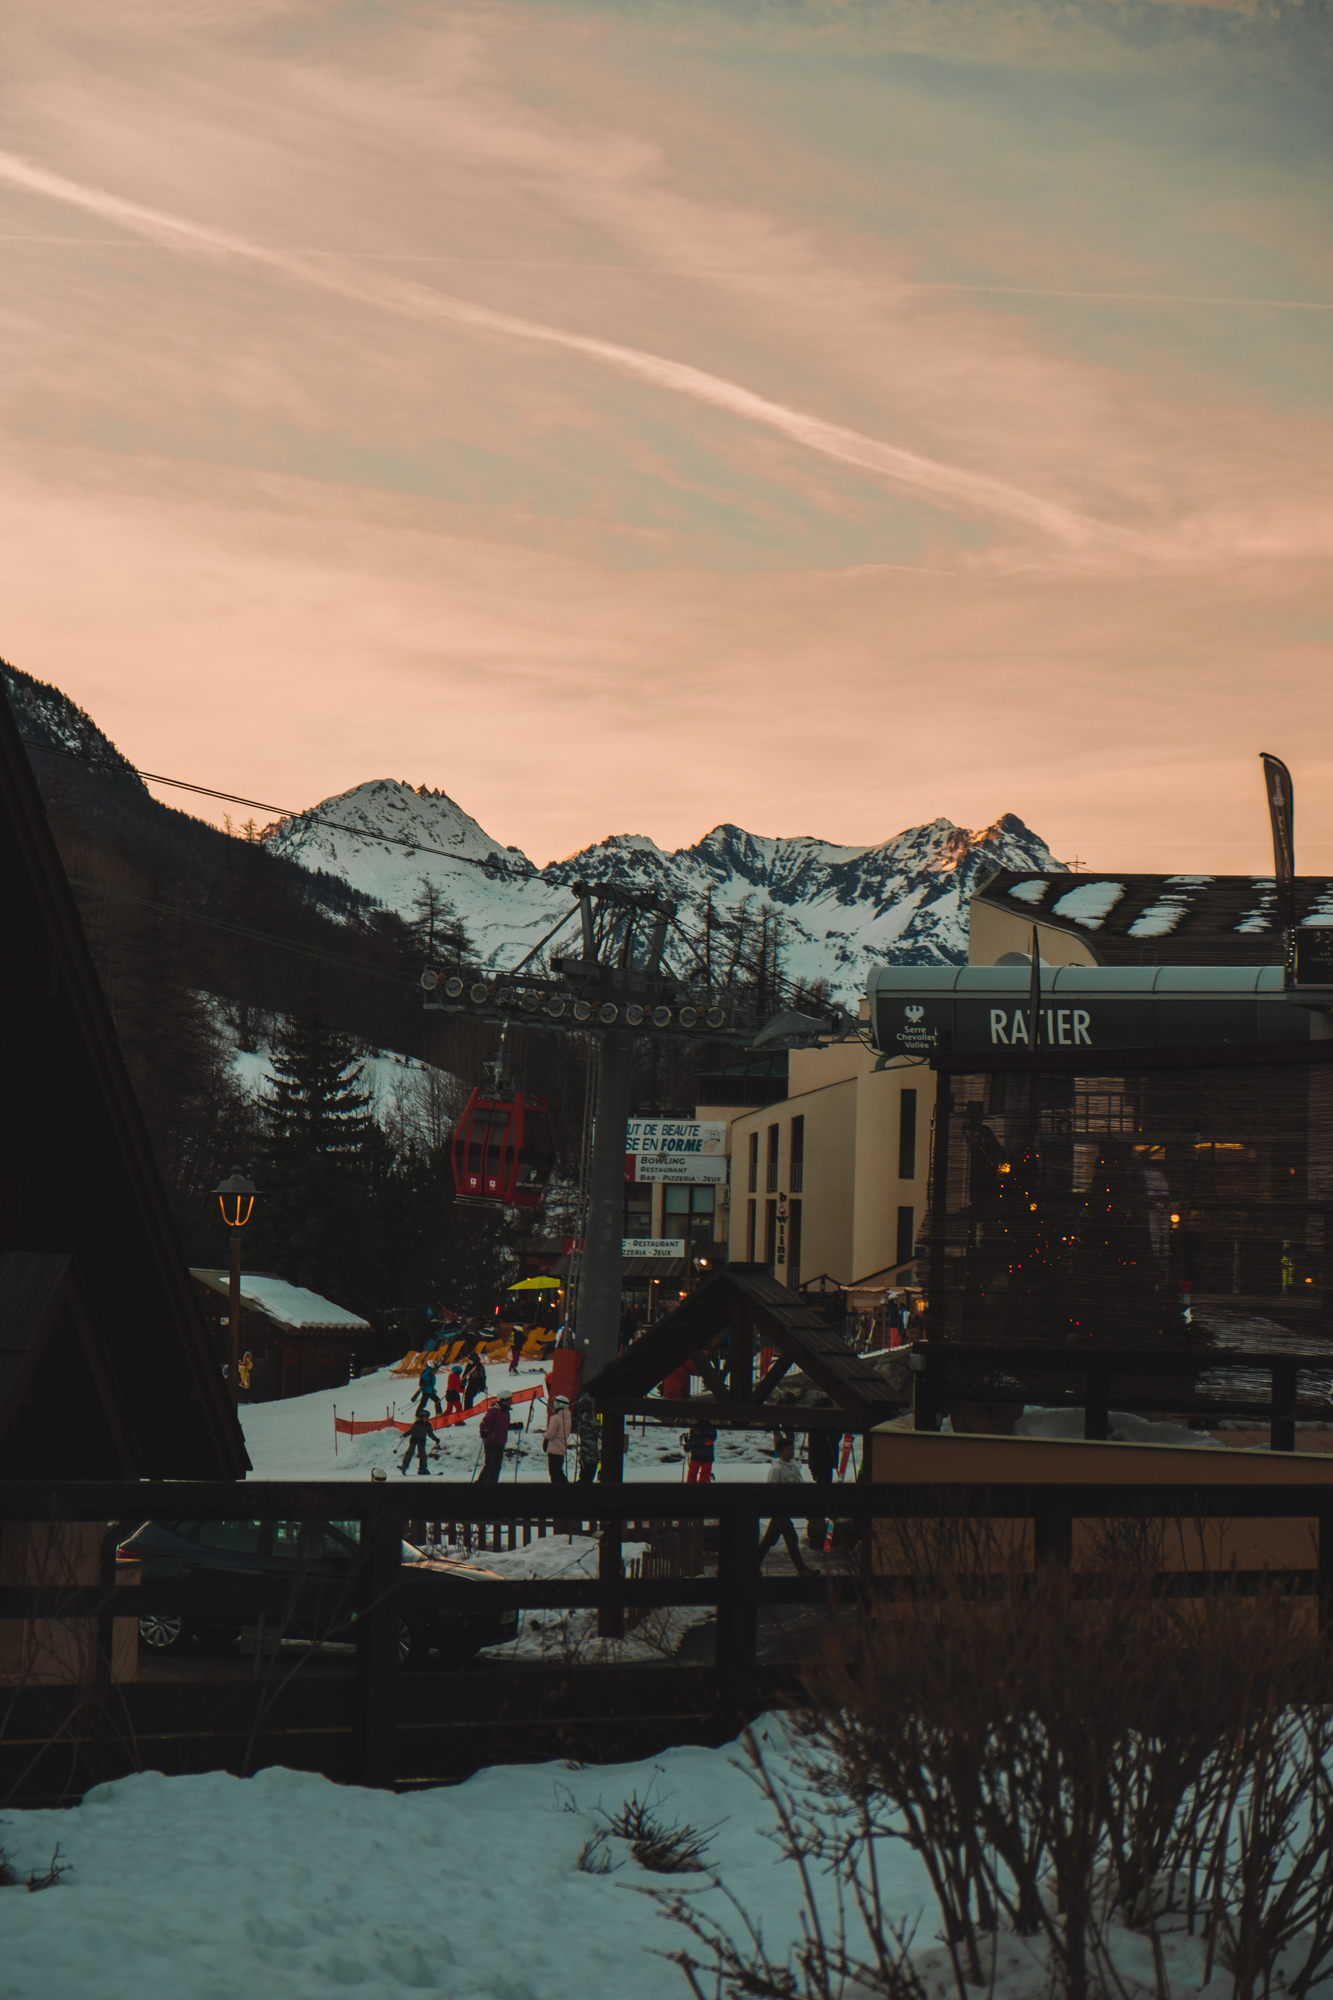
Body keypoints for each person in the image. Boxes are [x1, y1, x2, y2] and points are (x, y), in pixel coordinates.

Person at [757, 1442, 812, 1573]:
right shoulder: (777, 1469)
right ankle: (801, 1569)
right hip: (778, 1507)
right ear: (781, 1452)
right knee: (791, 1536)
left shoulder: (793, 1466)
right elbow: (771, 1489)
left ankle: (752, 1564)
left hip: (787, 1507)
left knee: (768, 1539)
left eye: (792, 1448)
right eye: (788, 1449)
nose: (791, 1451)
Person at [804, 1426, 838, 1550]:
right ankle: (818, 1516)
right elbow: (835, 1437)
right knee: (824, 1489)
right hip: (825, 1460)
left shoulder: (814, 1425)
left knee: (821, 1487)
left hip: (818, 1461)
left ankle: (817, 1517)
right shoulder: (825, 1424)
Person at [477, 1394, 515, 1484]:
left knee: (497, 1466)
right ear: (503, 1401)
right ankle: (481, 1483)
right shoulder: (494, 1410)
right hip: (491, 1441)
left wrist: (514, 1426)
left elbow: (505, 1425)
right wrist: (483, 1431)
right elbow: (484, 1423)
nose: (512, 1402)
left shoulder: (505, 1412)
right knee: (490, 1465)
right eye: (510, 1400)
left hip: (501, 1441)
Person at [543, 1394, 573, 1484]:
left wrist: (545, 1436)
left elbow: (550, 1433)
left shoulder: (555, 1418)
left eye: (555, 1403)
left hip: (553, 1448)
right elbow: (567, 1434)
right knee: (559, 1470)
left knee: (554, 1472)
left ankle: (558, 1491)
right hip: (561, 1447)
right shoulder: (568, 1418)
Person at [400, 1406, 433, 1477]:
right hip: (414, 1439)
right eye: (424, 1417)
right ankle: (404, 1466)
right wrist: (406, 1434)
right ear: (421, 1417)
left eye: (427, 1417)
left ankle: (423, 1468)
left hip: (422, 1440)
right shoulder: (417, 1424)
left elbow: (430, 1434)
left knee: (422, 1455)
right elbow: (411, 1430)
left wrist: (436, 1439)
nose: (426, 1419)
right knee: (410, 1452)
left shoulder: (428, 1425)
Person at [574, 1395, 600, 1484]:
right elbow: (601, 1434)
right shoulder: (592, 1420)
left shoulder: (580, 1419)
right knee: (589, 1479)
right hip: (591, 1454)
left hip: (583, 1454)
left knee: (583, 1478)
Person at [684, 1416, 717, 1484]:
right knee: (705, 1476)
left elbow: (691, 1443)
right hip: (708, 1456)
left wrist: (688, 1446)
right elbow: (713, 1439)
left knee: (692, 1475)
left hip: (696, 1456)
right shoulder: (712, 1429)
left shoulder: (694, 1429)